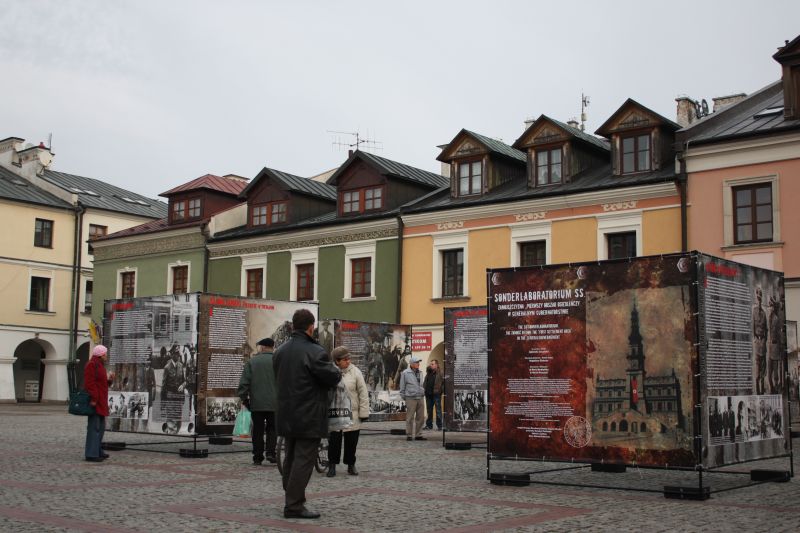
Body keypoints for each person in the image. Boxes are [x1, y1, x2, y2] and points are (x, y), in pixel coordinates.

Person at [273, 309, 341, 520]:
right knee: (303, 461)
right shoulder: (315, 351)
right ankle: (294, 505)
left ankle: (291, 497)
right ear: (311, 327)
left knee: (291, 458)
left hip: (286, 413)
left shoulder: (280, 351)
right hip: (308, 414)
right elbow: (333, 376)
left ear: (294, 326)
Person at [326, 346, 370, 477]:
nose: (348, 361)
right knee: (334, 442)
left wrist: (364, 412)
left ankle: (351, 464)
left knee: (351, 441)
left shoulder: (355, 372)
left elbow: (363, 393)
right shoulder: (329, 372)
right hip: (335, 412)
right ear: (337, 361)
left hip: (352, 413)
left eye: (349, 358)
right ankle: (332, 465)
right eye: (345, 359)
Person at [238, 337, 278, 465]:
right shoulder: (279, 361)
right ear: (272, 347)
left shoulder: (252, 362)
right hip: (275, 403)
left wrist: (244, 398)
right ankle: (271, 453)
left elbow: (244, 383)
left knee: (258, 430)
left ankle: (257, 456)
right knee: (273, 429)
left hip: (257, 403)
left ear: (262, 347)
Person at [84, 344, 114, 462]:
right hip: (95, 402)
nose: (106, 356)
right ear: (101, 355)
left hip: (101, 401)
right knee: (94, 428)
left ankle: (97, 450)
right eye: (105, 354)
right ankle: (91, 454)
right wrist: (94, 398)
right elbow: (89, 383)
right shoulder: (92, 364)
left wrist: (110, 380)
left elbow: (102, 383)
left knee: (100, 428)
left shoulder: (99, 365)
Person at [399, 356, 426, 441]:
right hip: (410, 397)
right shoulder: (405, 373)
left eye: (418, 362)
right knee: (410, 417)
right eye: (417, 362)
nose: (418, 364)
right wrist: (405, 397)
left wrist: (423, 392)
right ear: (411, 364)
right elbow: (402, 386)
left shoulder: (420, 372)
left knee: (421, 417)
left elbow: (421, 384)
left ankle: (418, 434)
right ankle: (409, 435)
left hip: (420, 397)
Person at [753, 286, 767, 394]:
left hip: (763, 342)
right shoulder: (754, 311)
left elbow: (766, 329)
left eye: (760, 298)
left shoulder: (764, 313)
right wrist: (755, 339)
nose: (759, 299)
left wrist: (764, 340)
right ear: (756, 298)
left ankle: (762, 392)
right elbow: (752, 326)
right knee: (757, 372)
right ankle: (758, 392)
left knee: (763, 370)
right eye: (758, 298)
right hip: (757, 342)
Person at [423, 359, 443, 430]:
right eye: (430, 364)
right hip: (428, 394)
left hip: (436, 395)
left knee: (438, 410)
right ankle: (429, 425)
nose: (431, 365)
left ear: (436, 365)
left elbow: (444, 383)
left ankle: (440, 426)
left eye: (432, 364)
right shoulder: (428, 373)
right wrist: (424, 389)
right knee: (429, 411)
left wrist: (440, 390)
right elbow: (425, 382)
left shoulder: (440, 373)